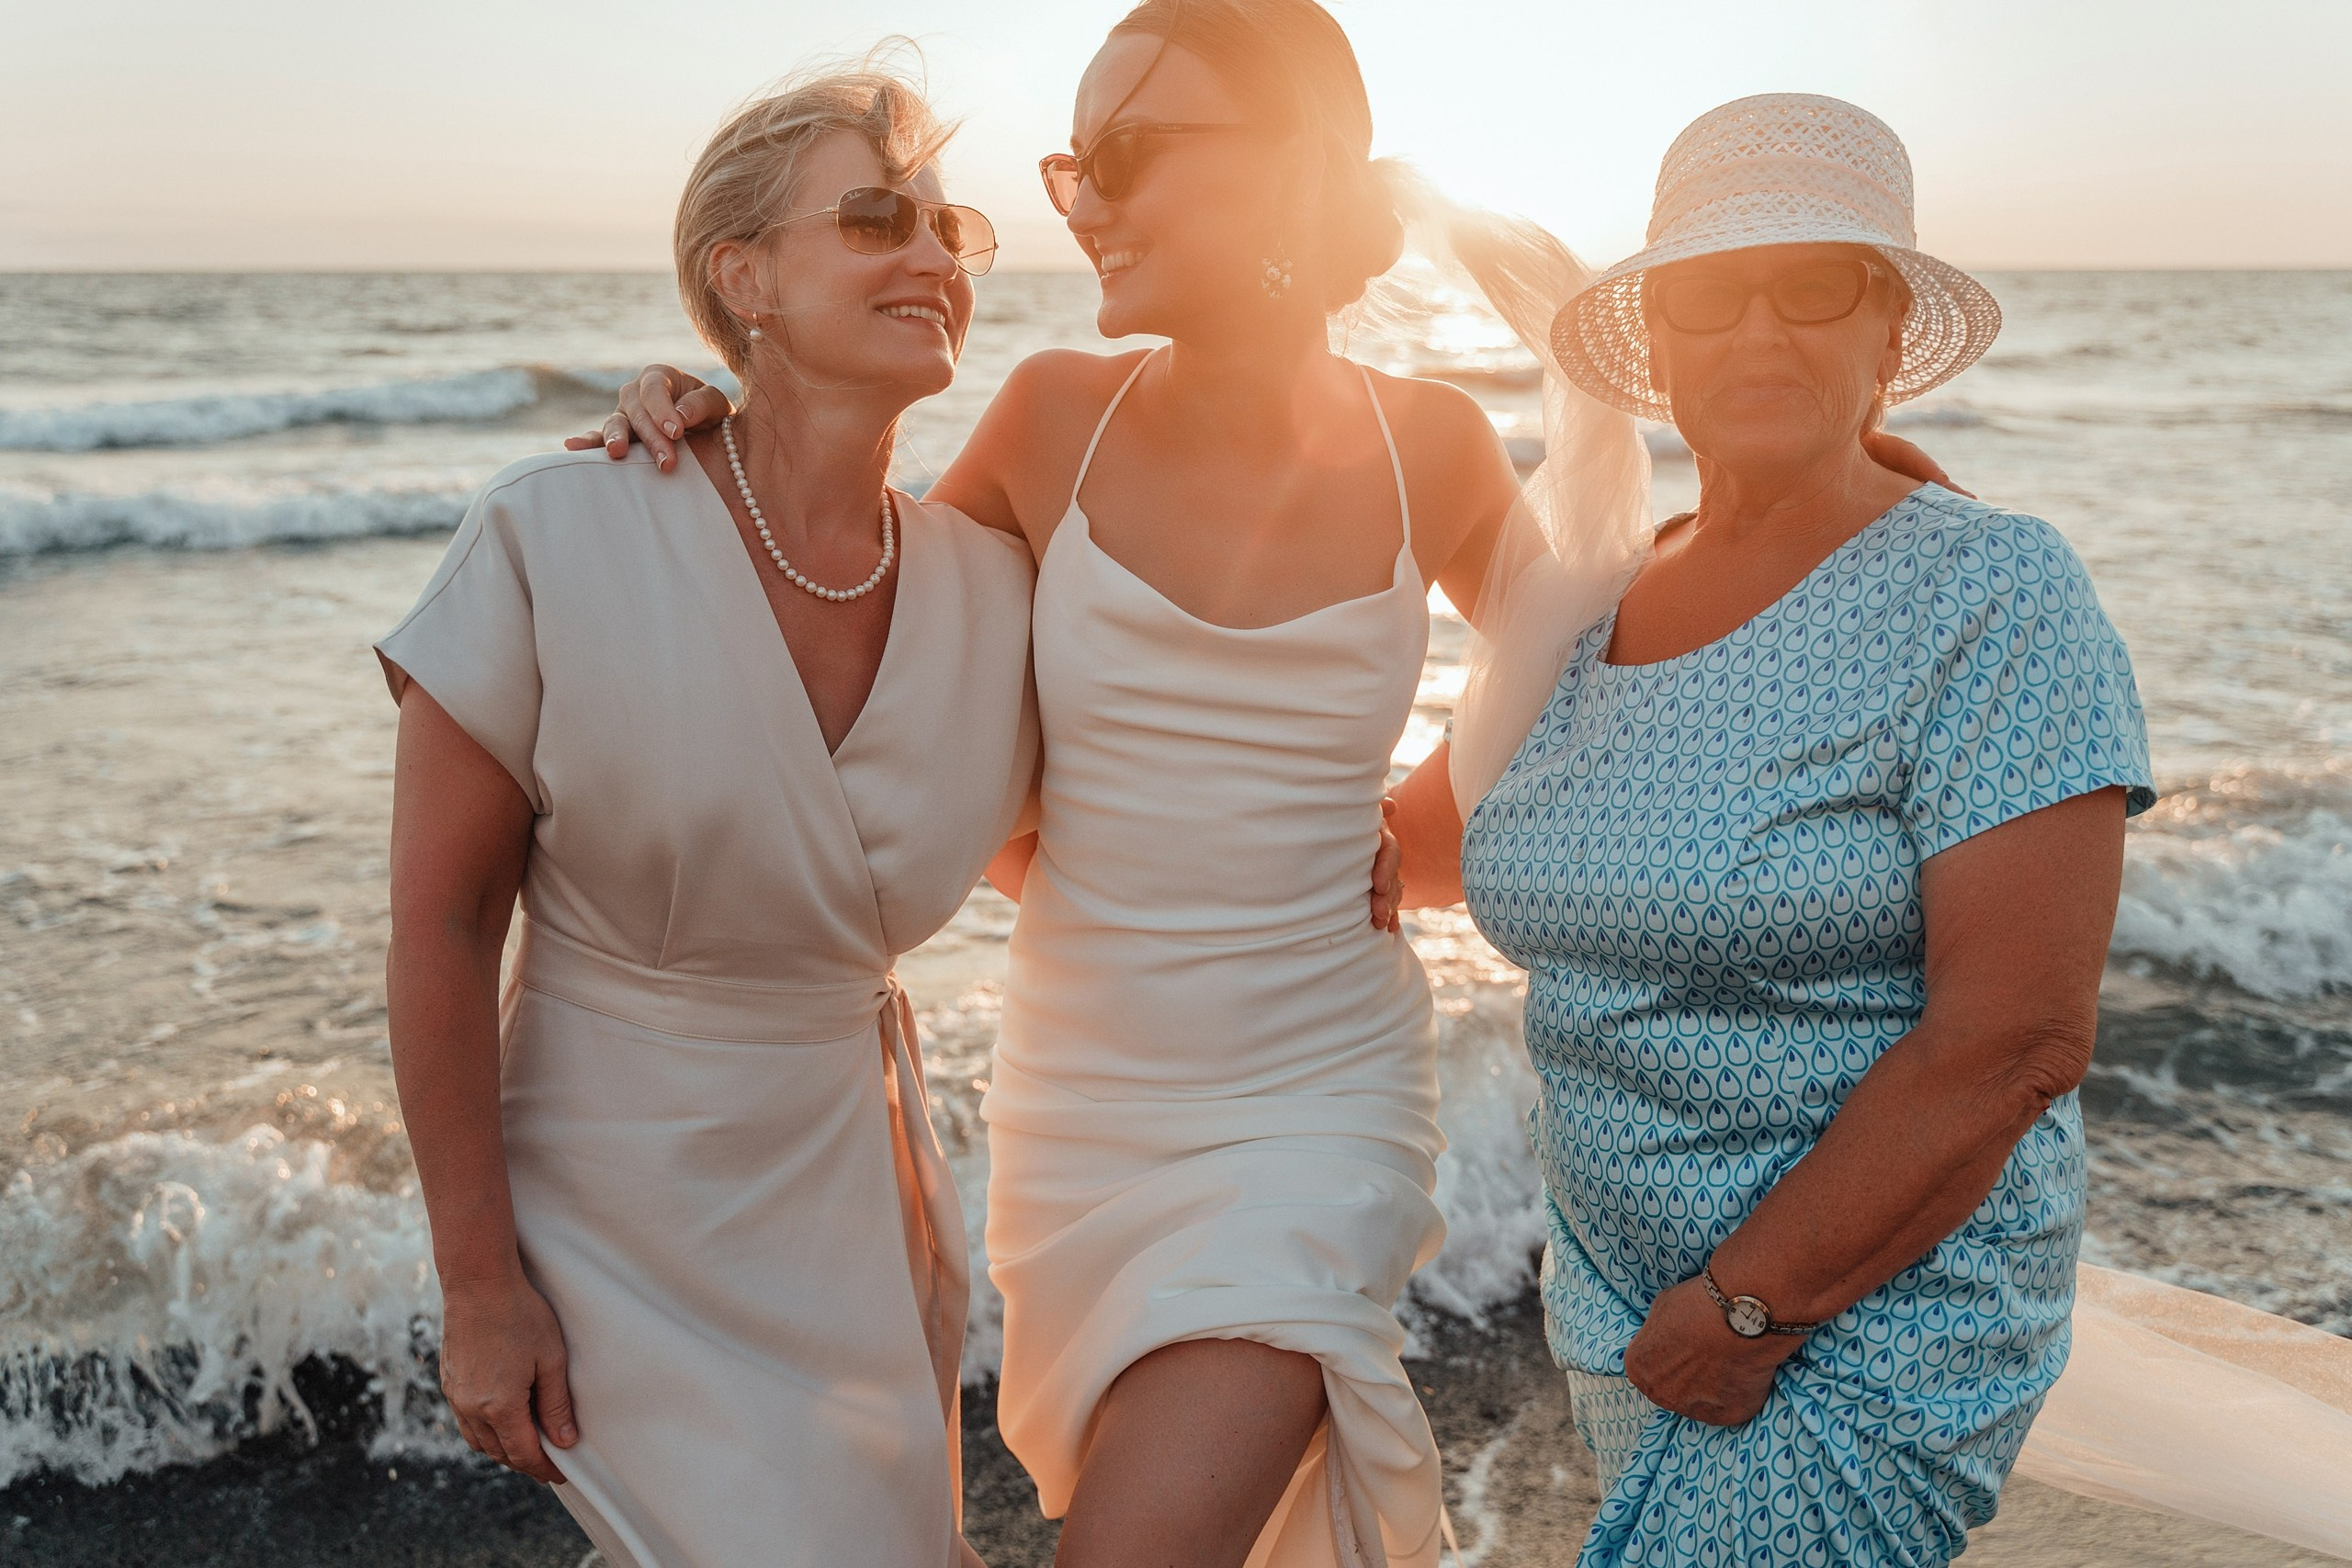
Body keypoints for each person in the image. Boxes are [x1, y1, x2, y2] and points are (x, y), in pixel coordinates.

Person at [580, 13, 1944, 1564]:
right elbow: (853, 648)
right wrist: (711, 423)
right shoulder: (1049, 421)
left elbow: (1616, 658)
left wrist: (1853, 496)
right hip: (1082, 1108)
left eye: (1129, 155)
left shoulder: (1421, 441)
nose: (1083, 200)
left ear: (1291, 168)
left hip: (1320, 1107)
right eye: (1071, 163)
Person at [1391, 94, 2155, 1566]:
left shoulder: (1989, 595)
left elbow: (2014, 1038)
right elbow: (1414, 854)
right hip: (1623, 1306)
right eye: (1706, 293)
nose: (1755, 332)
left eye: (1813, 285)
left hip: (1856, 1320)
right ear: (1657, 343)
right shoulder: (1588, 601)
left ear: (1886, 330)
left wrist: (1749, 1307)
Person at [379, 69, 1034, 1567]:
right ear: (741, 277)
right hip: (607, 1212)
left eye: (949, 227)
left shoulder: (999, 597)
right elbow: (443, 923)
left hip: (851, 1221)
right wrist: (478, 1284)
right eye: (876, 219)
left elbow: (1119, 828)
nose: (933, 258)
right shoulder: (557, 532)